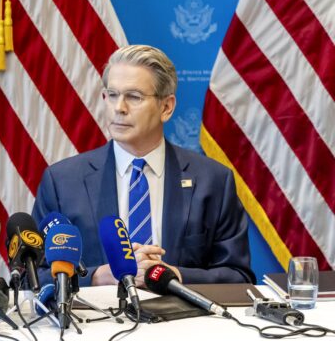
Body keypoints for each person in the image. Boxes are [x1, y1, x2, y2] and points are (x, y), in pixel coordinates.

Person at [33, 44, 254, 286]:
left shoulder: (213, 181)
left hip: (181, 311)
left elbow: (238, 277)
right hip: (96, 311)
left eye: (134, 97)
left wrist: (175, 276)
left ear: (166, 107)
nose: (119, 108)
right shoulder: (62, 182)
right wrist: (97, 277)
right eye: (112, 95)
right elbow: (34, 277)